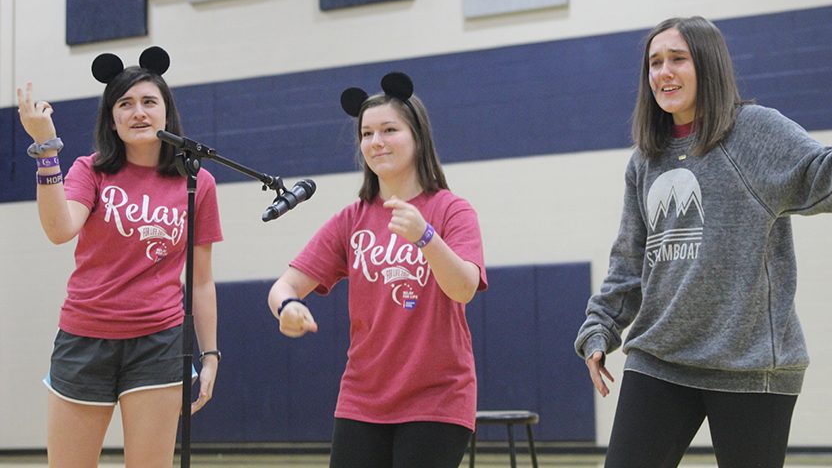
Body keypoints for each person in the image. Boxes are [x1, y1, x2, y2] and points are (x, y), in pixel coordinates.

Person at [573, 16, 832, 468]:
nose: (663, 73)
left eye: (677, 60)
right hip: (660, 357)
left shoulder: (755, 131)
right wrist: (600, 327)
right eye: (654, 63)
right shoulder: (645, 159)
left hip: (750, 367)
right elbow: (630, 260)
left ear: (707, 66)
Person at [16, 47, 223, 467]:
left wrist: (211, 353)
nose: (138, 112)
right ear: (112, 117)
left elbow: (200, 280)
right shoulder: (90, 170)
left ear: (167, 112)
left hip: (159, 343)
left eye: (149, 102)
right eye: (124, 104)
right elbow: (59, 230)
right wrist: (45, 147)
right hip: (84, 338)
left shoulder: (197, 182)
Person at [268, 71, 486, 468]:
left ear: (417, 136)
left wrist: (426, 238)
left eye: (389, 129)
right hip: (362, 398)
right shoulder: (351, 219)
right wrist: (287, 308)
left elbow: (464, 288)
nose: (376, 142)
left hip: (436, 398)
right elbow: (285, 285)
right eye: (366, 134)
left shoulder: (452, 210)